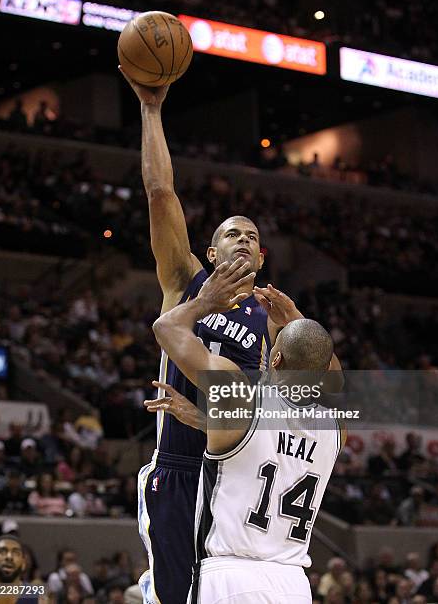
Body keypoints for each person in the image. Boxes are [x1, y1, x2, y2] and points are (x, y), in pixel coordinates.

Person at [119, 70, 343, 604]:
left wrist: (293, 323)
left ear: (262, 258)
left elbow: (323, 390)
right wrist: (151, 111)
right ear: (213, 253)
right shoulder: (186, 281)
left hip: (236, 476)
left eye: (253, 235)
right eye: (230, 233)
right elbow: (160, 193)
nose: (243, 238)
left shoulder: (273, 324)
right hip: (183, 462)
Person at [152, 259, 345, 603]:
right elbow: (332, 377)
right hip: (294, 583)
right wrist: (298, 320)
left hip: (231, 575)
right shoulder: (335, 428)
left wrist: (204, 301)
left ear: (274, 359)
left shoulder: (241, 396)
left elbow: (166, 327)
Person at [0, 535, 41, 602]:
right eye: (2, 552)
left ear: (23, 564)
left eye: (16, 553)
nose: (9, 557)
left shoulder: (36, 596)